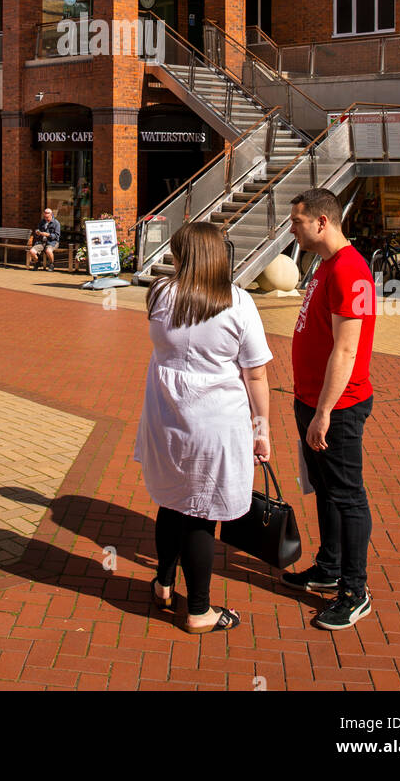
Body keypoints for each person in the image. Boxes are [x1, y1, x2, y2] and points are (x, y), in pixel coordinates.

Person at [134, 221, 272, 634]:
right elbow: (257, 375)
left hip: (165, 416)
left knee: (172, 503)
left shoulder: (159, 294)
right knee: (201, 515)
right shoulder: (238, 303)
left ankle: (163, 583)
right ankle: (198, 610)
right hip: (215, 422)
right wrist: (261, 427)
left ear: (183, 256)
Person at [284, 188, 376, 631]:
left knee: (347, 495)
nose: (292, 229)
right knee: (324, 490)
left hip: (337, 406)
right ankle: (329, 566)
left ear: (322, 221)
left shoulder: (351, 270)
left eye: (297, 222)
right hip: (311, 400)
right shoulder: (323, 265)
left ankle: (354, 592)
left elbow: (347, 349)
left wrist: (323, 412)